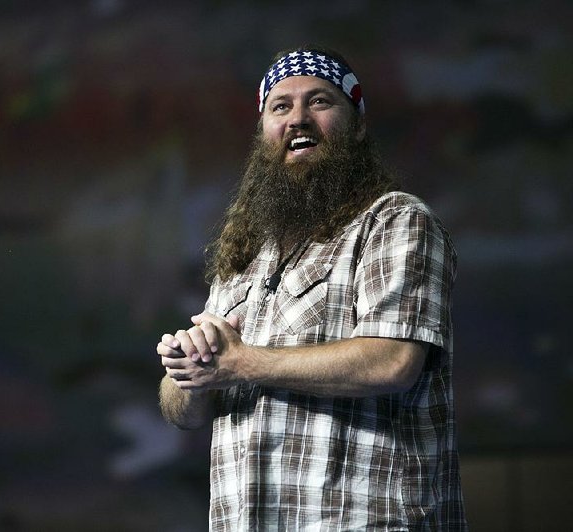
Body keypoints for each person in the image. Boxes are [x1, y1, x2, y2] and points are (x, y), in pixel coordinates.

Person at [156, 45, 467, 530]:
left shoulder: (393, 220)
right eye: (280, 107)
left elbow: (393, 362)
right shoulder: (244, 256)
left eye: (320, 101)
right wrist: (188, 370)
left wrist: (241, 362)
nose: (298, 118)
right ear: (264, 134)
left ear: (358, 125)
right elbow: (186, 414)